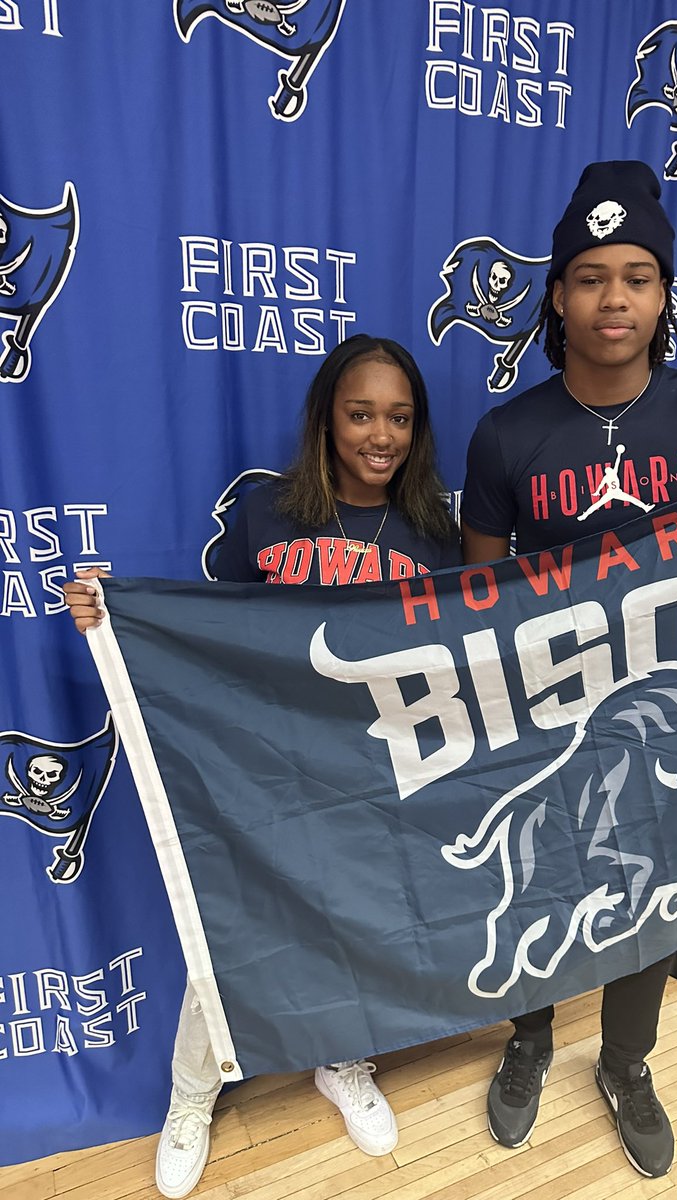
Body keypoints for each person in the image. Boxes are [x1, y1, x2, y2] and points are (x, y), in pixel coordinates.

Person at [63, 333, 461, 1199]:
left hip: (373, 770)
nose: (381, 436)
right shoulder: (269, 515)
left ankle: (341, 1059)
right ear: (326, 420)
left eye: (399, 418)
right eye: (361, 414)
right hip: (267, 767)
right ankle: (192, 1096)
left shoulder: (435, 533)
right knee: (234, 933)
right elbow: (213, 633)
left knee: (353, 923)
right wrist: (116, 616)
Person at [460, 161, 677, 1178]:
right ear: (557, 297)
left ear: (663, 296)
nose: (615, 299)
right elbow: (477, 593)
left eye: (638, 277)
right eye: (592, 277)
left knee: (663, 879)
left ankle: (625, 1062)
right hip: (553, 705)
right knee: (549, 868)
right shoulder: (508, 434)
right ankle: (529, 1037)